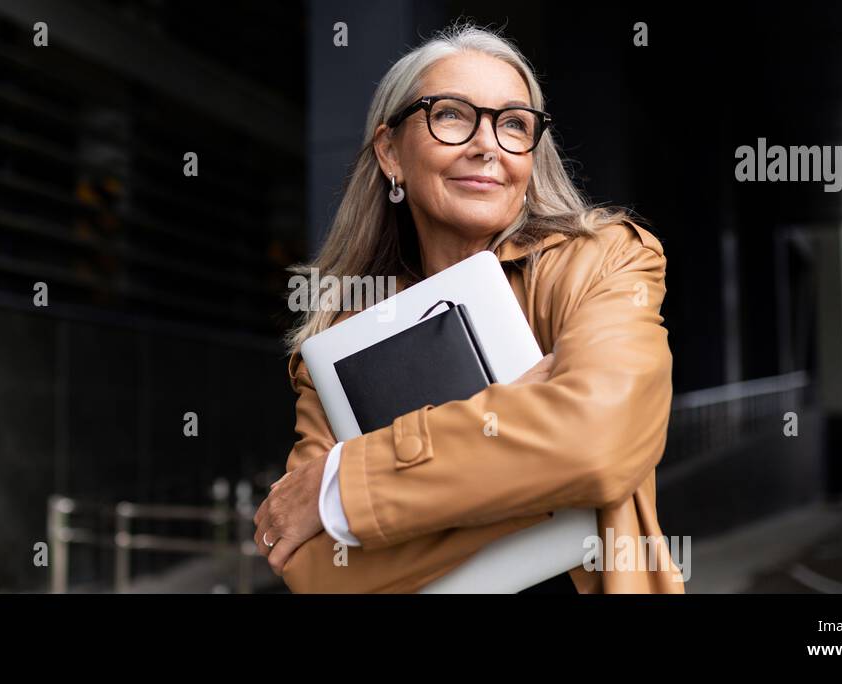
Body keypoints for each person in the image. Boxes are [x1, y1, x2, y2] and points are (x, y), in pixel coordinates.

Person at [255, 23, 684, 594]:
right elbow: (314, 568)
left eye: (513, 124)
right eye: (452, 114)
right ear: (390, 152)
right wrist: (541, 469)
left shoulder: (604, 261)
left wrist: (343, 488)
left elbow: (598, 445)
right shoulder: (340, 338)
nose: (487, 145)